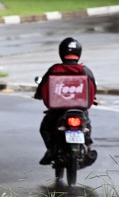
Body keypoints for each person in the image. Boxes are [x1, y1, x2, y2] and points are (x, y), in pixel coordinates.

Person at [33, 37, 97, 165]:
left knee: (45, 128)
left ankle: (51, 150)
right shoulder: (85, 71)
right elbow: (93, 89)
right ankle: (88, 147)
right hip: (80, 109)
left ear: (61, 52)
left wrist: (38, 95)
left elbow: (43, 88)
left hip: (57, 111)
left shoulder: (54, 70)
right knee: (87, 125)